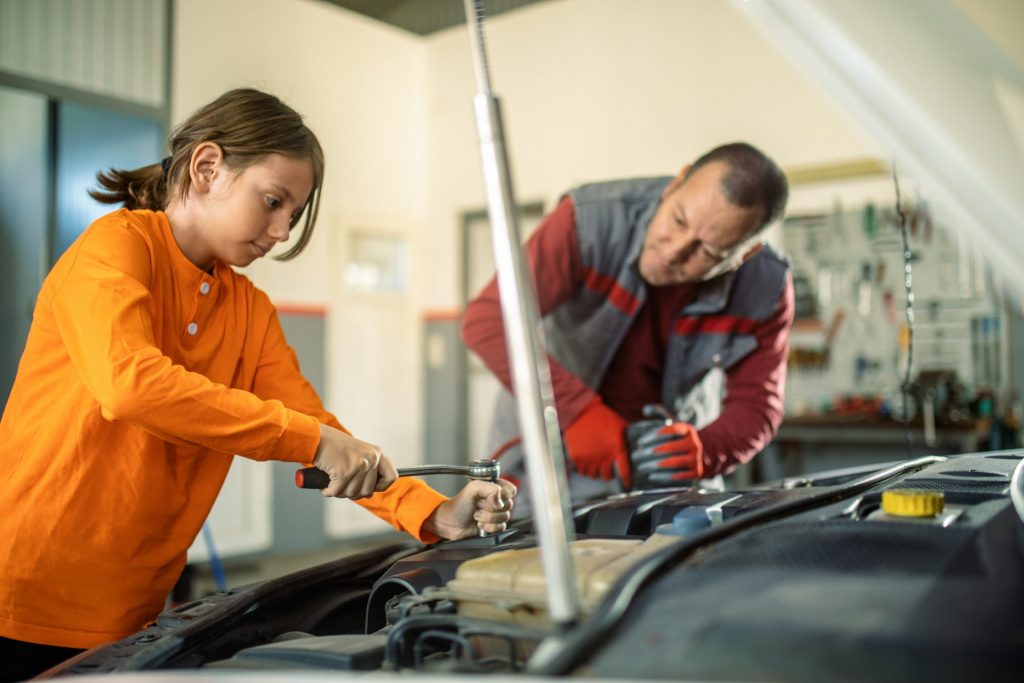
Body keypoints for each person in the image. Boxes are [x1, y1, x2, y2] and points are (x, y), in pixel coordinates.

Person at [0, 88, 515, 682]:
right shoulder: (115, 247)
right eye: (272, 202)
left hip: (135, 607)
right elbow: (130, 386)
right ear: (208, 167)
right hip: (26, 594)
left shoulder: (250, 309)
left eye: (292, 215)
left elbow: (318, 428)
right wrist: (310, 440)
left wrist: (433, 514)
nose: (279, 231)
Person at [462, 142, 792, 514]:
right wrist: (575, 412)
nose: (673, 253)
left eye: (708, 251)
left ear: (744, 255)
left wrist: (706, 452)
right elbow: (488, 321)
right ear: (676, 183)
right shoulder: (589, 222)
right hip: (551, 446)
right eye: (678, 220)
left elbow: (758, 405)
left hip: (663, 465)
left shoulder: (765, 287)